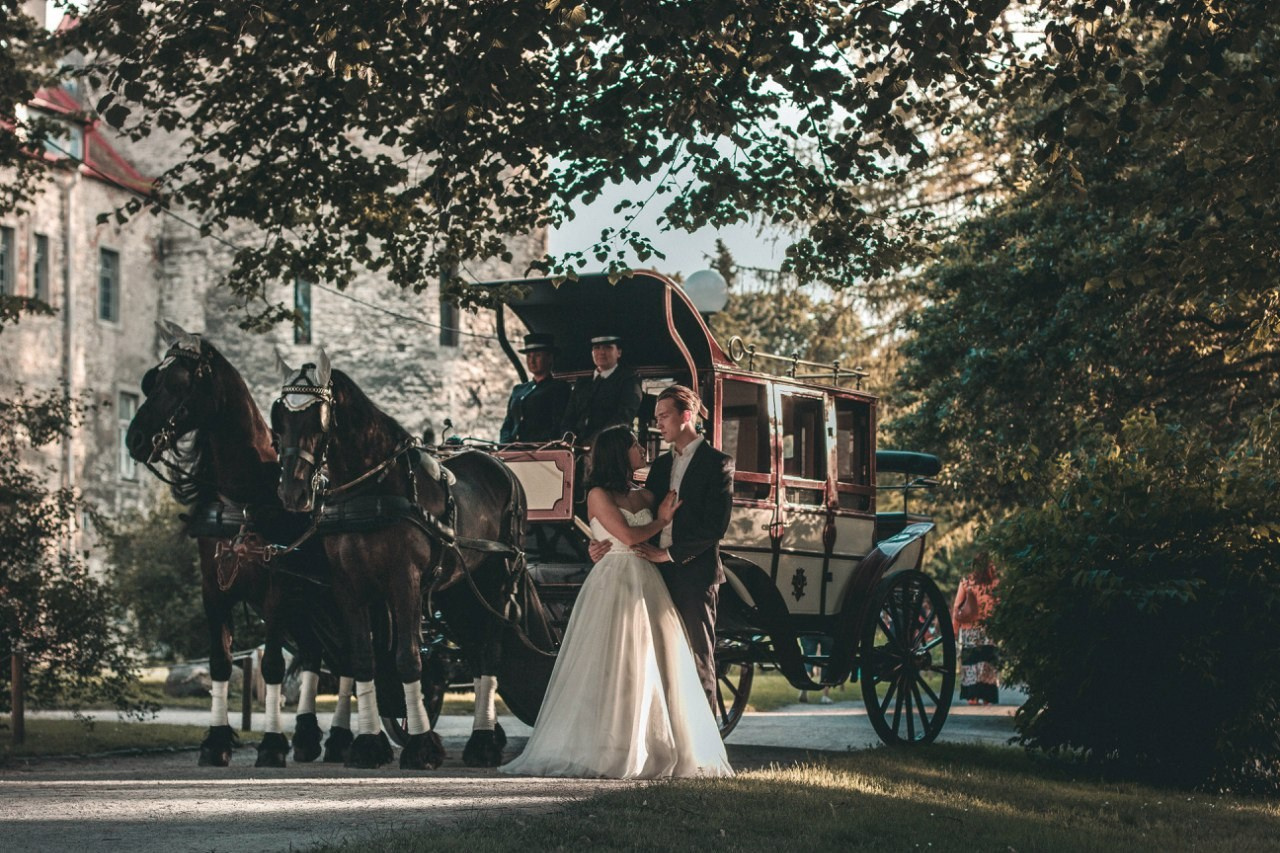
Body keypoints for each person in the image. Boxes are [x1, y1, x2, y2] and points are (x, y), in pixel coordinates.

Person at [499, 426, 733, 779]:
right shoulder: (598, 494)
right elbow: (626, 535)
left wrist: (662, 526)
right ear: (619, 453)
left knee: (652, 662)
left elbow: (663, 528)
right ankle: (607, 745)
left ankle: (652, 742)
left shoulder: (645, 494)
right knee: (613, 661)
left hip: (648, 577)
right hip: (615, 580)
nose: (643, 448)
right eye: (635, 444)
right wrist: (659, 520)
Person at [631, 384, 734, 711]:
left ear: (686, 416)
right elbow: (645, 514)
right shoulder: (660, 467)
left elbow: (715, 527)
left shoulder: (718, 463)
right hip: (656, 573)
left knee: (697, 656)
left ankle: (708, 736)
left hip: (695, 575)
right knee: (658, 657)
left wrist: (669, 555)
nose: (658, 423)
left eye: (664, 416)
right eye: (656, 417)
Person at [558, 334, 644, 444]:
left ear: (619, 352)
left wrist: (595, 440)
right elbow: (568, 418)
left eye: (608, 347)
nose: (601, 352)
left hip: (611, 446)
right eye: (596, 348)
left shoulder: (629, 380)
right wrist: (568, 439)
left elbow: (623, 418)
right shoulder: (582, 383)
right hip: (577, 447)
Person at [499, 333, 572, 444]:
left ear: (549, 358)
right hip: (512, 449)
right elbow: (508, 423)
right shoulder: (518, 390)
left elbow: (558, 424)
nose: (532, 361)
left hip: (540, 448)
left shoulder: (559, 388)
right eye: (529, 356)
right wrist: (505, 444)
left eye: (537, 355)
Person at [953, 552, 1000, 705]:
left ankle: (972, 696)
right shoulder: (995, 584)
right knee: (987, 661)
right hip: (988, 628)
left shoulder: (967, 583)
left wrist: (954, 629)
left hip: (969, 629)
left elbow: (957, 607)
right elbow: (999, 604)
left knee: (971, 661)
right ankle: (987, 695)